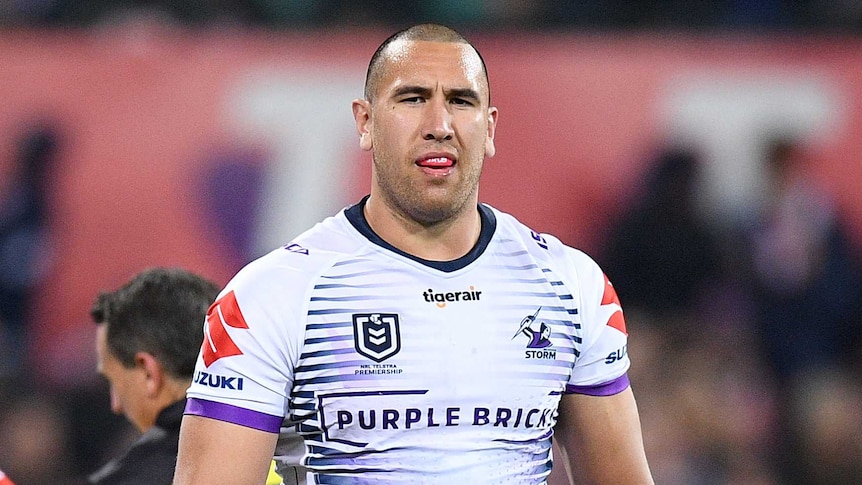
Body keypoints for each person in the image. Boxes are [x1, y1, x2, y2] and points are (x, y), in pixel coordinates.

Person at [175, 23, 653, 484]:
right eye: (413, 98)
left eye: (461, 102)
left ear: (488, 129)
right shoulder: (271, 296)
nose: (439, 125)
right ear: (365, 121)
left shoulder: (571, 286)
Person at [88, 267, 220, 484]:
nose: (116, 405)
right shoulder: (285, 447)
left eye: (113, 381)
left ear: (149, 373)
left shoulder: (130, 479)